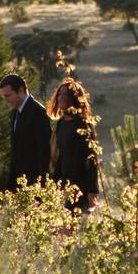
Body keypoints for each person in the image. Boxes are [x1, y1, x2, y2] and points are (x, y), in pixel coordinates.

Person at [47, 78, 100, 212]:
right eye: (59, 94)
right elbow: (58, 157)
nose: (60, 97)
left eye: (65, 95)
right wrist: (54, 185)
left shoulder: (83, 124)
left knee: (73, 229)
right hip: (64, 186)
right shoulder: (61, 124)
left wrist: (93, 191)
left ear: (74, 99)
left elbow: (92, 159)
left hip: (81, 187)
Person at [0, 73, 51, 191]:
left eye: (8, 95)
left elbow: (44, 152)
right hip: (20, 185)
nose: (6, 100)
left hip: (35, 186)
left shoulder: (38, 112)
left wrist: (42, 187)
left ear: (21, 90)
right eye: (4, 97)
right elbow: (15, 151)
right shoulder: (14, 113)